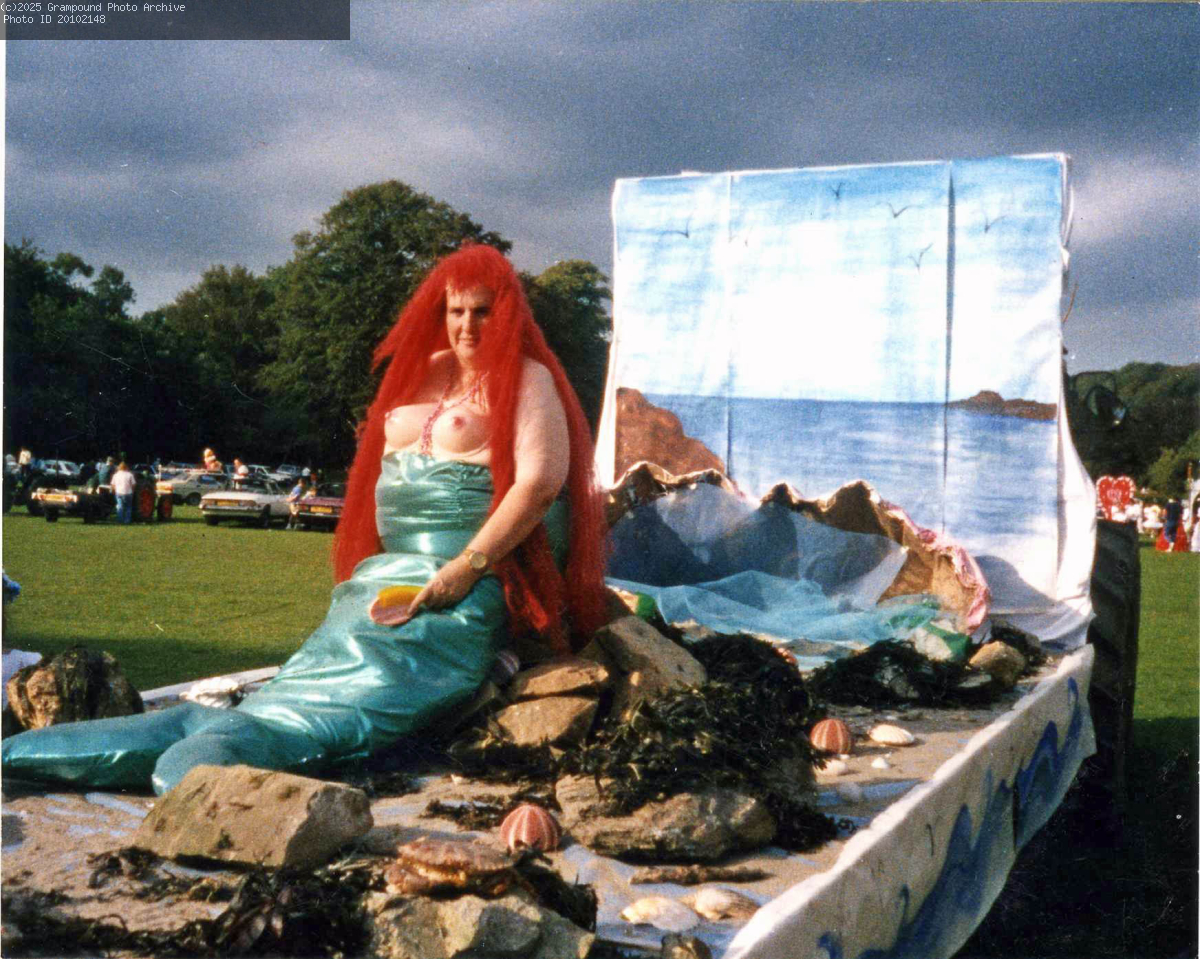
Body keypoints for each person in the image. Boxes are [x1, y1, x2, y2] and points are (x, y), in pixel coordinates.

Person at [2, 244, 609, 796]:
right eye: (456, 311)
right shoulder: (427, 368)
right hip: (385, 577)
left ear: (508, 315)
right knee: (311, 672)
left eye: (482, 312)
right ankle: (191, 727)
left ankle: (221, 752)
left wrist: (466, 568)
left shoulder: (528, 380)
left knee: (360, 694)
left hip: (466, 584)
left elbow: (539, 485)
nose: (467, 325)